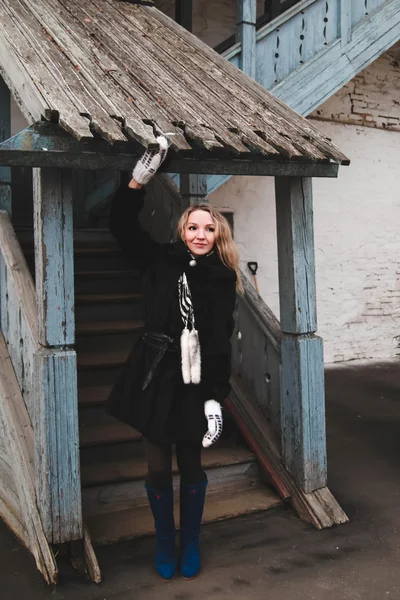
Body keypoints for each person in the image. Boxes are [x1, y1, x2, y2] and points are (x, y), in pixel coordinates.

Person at [106, 137, 242, 581]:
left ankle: (191, 542)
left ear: (217, 235)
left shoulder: (222, 280)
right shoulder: (160, 261)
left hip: (197, 380)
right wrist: (137, 182)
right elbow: (123, 228)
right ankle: (165, 540)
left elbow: (220, 341)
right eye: (192, 228)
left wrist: (215, 398)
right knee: (157, 463)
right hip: (154, 372)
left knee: (192, 463)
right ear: (182, 232)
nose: (200, 235)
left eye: (208, 229)